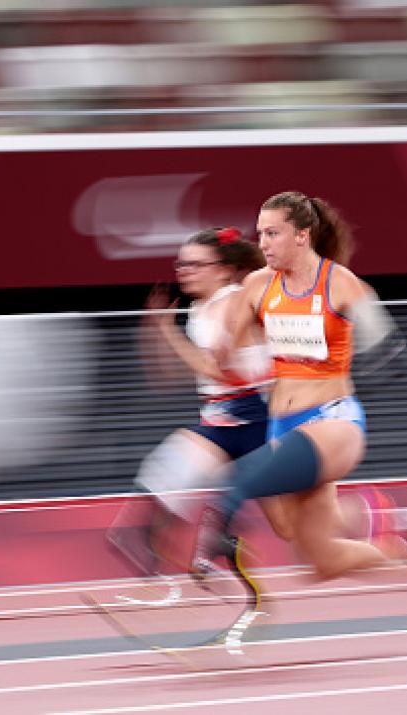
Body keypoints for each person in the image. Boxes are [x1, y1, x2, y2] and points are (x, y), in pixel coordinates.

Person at [193, 191, 407, 597]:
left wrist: (367, 348)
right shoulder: (257, 286)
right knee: (319, 562)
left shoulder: (339, 282)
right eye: (260, 234)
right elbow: (226, 356)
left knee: (239, 482)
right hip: (283, 424)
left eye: (273, 233)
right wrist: (217, 330)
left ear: (302, 236)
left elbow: (392, 350)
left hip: (333, 422)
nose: (264, 244)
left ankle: (217, 532)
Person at [106, 227, 279, 578]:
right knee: (166, 475)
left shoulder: (232, 302)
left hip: (260, 422)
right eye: (181, 264)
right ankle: (168, 562)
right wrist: (157, 331)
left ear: (223, 269)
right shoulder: (200, 309)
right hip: (224, 424)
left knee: (297, 525)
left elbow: (213, 370)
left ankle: (380, 523)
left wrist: (168, 331)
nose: (184, 271)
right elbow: (170, 379)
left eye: (195, 264)